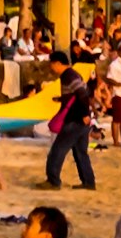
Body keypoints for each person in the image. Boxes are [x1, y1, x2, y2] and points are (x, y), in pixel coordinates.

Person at [42, 62, 98, 191]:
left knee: (57, 150)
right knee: (80, 152)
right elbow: (80, 94)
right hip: (82, 119)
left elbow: (82, 94)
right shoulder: (73, 74)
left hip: (75, 119)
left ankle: (53, 181)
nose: (51, 67)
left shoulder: (68, 75)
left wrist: (84, 113)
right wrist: (62, 99)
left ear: (57, 63)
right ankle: (88, 181)